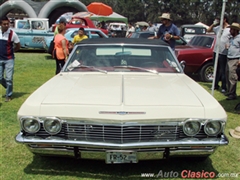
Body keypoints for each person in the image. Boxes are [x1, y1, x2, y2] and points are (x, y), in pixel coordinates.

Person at [207, 15, 230, 93]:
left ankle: (224, 87)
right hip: (216, 51)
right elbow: (208, 30)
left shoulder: (229, 29)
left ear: (225, 19)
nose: (219, 21)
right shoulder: (218, 28)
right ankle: (215, 85)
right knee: (216, 69)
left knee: (223, 71)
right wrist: (214, 23)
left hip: (224, 52)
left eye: (220, 19)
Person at [0, 16, 20, 102]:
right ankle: (8, 87)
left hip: (9, 59)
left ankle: (8, 95)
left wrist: (12, 51)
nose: (6, 25)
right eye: (4, 24)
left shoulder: (12, 34)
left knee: (9, 78)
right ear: (0, 24)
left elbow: (18, 45)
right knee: (0, 78)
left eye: (7, 24)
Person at [225, 22, 240, 100]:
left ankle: (232, 94)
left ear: (235, 30)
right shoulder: (231, 38)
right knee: (227, 75)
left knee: (232, 76)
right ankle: (230, 91)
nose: (230, 30)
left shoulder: (239, 38)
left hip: (235, 59)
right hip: (229, 58)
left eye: (231, 29)